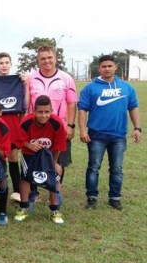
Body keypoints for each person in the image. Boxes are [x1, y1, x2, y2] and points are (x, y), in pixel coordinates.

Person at [78, 55, 141, 210]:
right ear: (99, 68)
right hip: (96, 134)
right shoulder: (91, 87)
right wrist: (82, 130)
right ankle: (92, 198)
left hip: (118, 135)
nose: (107, 69)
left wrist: (137, 128)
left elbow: (133, 107)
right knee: (93, 167)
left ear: (116, 67)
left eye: (109, 66)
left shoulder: (126, 87)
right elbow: (82, 110)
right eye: (104, 66)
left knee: (117, 168)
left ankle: (115, 198)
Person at [0, 52, 29, 203]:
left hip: (13, 125)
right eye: (1, 63)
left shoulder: (18, 81)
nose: (4, 65)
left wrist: (26, 84)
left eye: (6, 62)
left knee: (13, 157)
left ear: (11, 64)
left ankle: (16, 191)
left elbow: (25, 105)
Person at [27, 46, 77, 186]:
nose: (46, 61)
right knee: (34, 158)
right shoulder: (31, 78)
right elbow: (27, 103)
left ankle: (55, 190)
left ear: (55, 58)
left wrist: (71, 126)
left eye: (49, 57)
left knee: (59, 161)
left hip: (59, 127)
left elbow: (72, 103)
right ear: (38, 61)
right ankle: (34, 191)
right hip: (35, 127)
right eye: (43, 58)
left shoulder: (66, 78)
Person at [14, 95, 67, 224]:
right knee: (25, 178)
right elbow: (19, 140)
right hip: (29, 153)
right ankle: (24, 207)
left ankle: (54, 210)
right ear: (34, 111)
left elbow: (58, 146)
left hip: (50, 153)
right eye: (40, 112)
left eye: (47, 112)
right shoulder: (26, 122)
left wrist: (54, 163)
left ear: (51, 110)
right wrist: (29, 145)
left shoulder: (57, 123)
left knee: (54, 178)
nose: (43, 115)